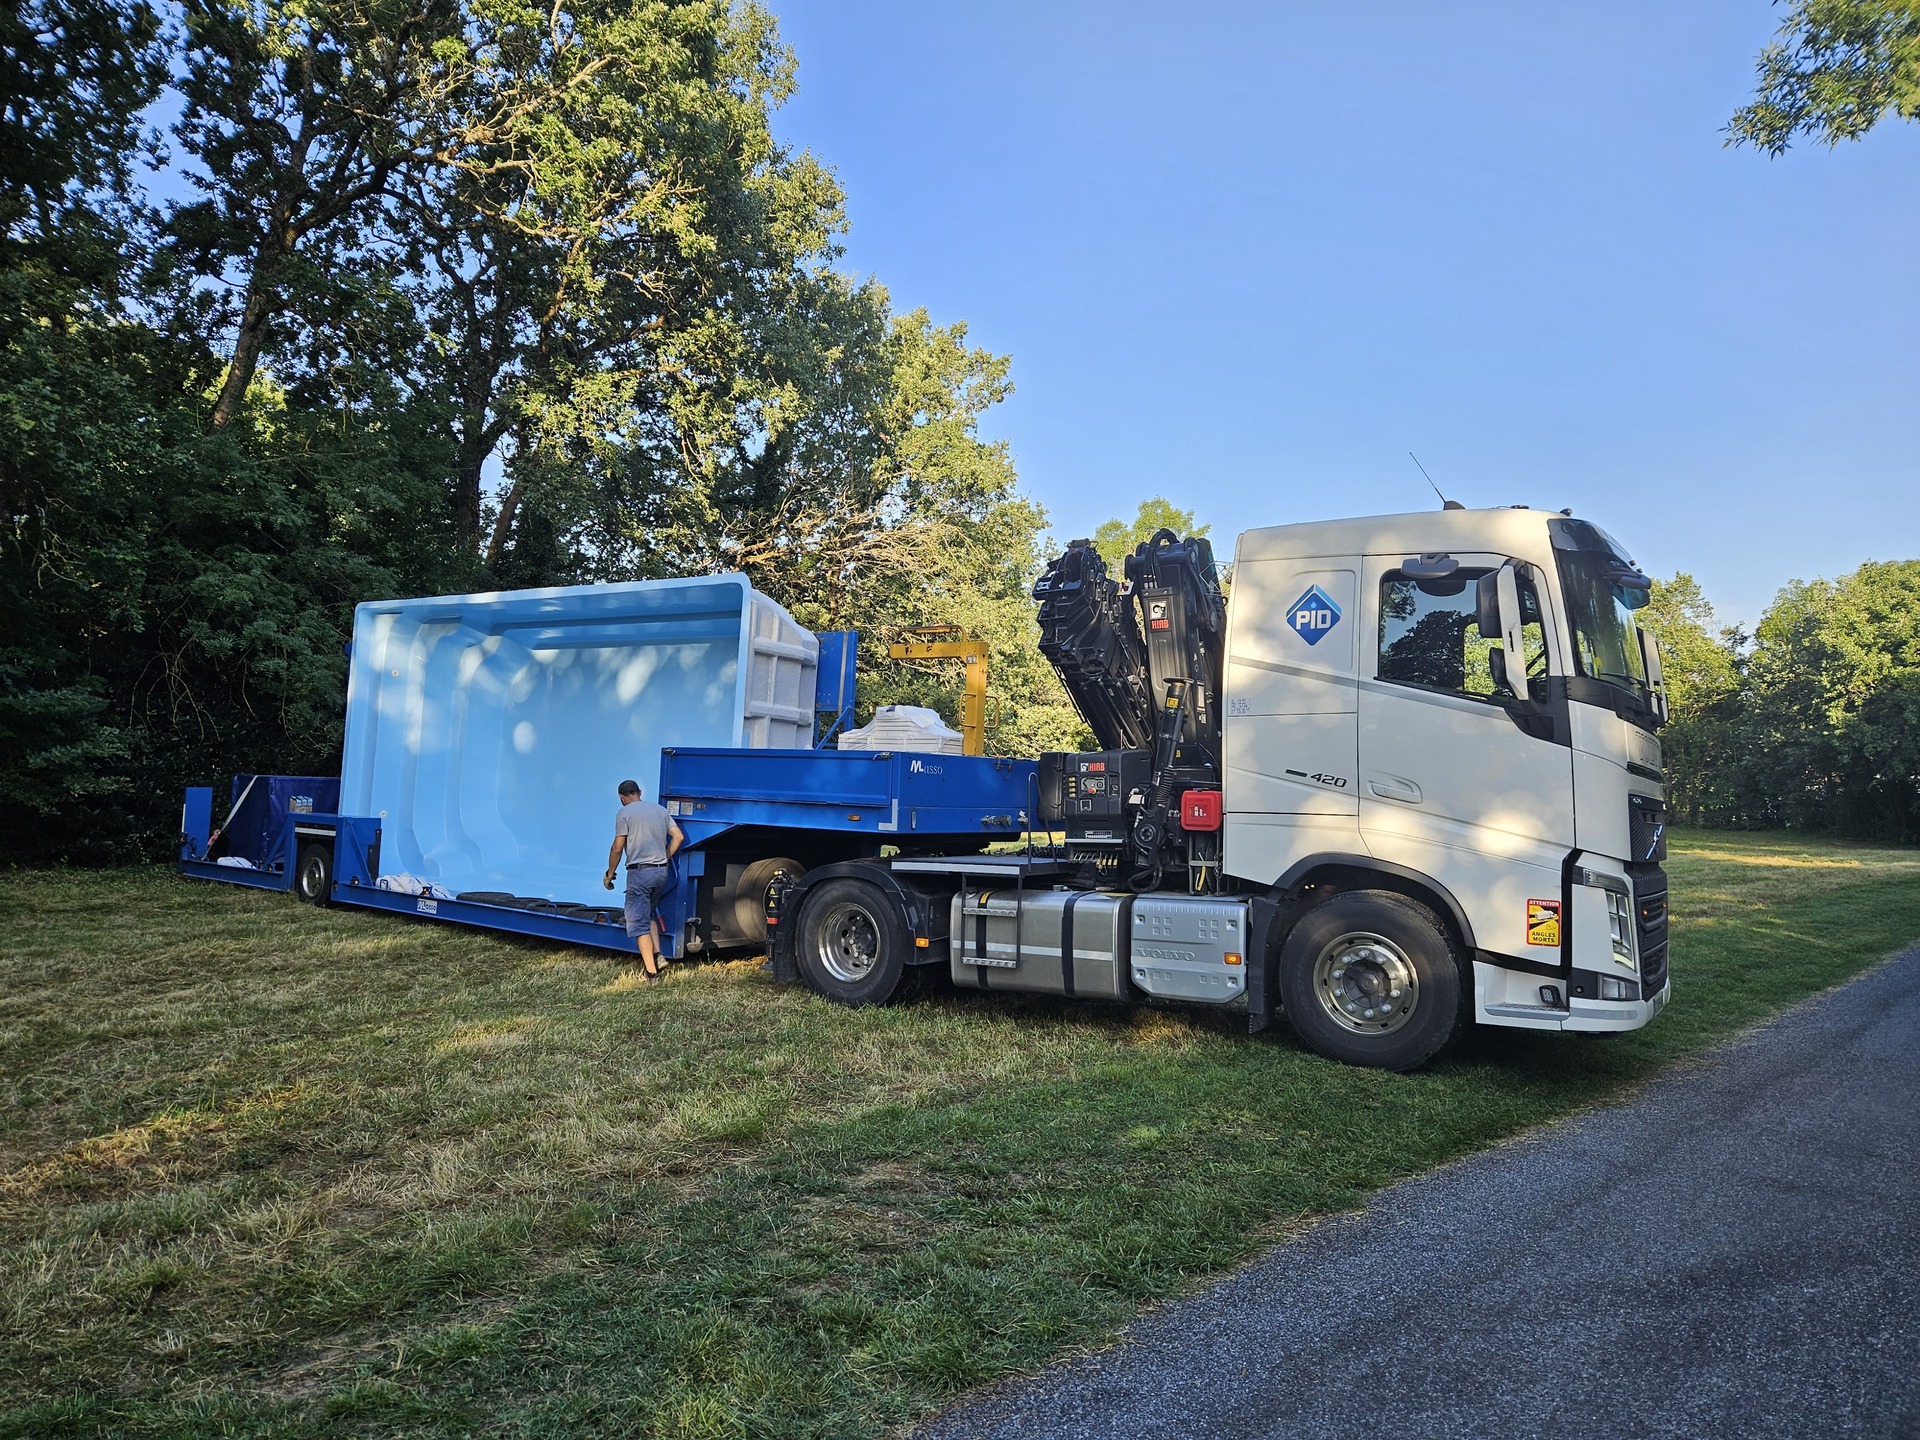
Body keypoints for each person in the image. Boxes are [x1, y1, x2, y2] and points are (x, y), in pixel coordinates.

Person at [603, 780, 683, 982]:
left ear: (621, 797)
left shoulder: (625, 813)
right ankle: (657, 955)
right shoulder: (660, 810)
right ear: (639, 792)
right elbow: (678, 836)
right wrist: (665, 856)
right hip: (661, 871)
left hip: (640, 873)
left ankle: (651, 974)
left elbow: (617, 847)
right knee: (648, 914)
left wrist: (610, 872)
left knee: (638, 922)